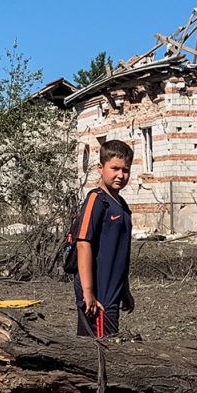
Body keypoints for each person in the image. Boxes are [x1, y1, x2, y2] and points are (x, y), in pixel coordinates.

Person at [72, 139, 135, 338]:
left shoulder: (122, 205)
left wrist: (124, 289)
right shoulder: (96, 200)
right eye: (114, 168)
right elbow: (83, 244)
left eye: (125, 170)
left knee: (109, 348)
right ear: (100, 168)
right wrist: (88, 293)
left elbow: (119, 252)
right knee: (97, 354)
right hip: (98, 297)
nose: (120, 175)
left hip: (112, 294)